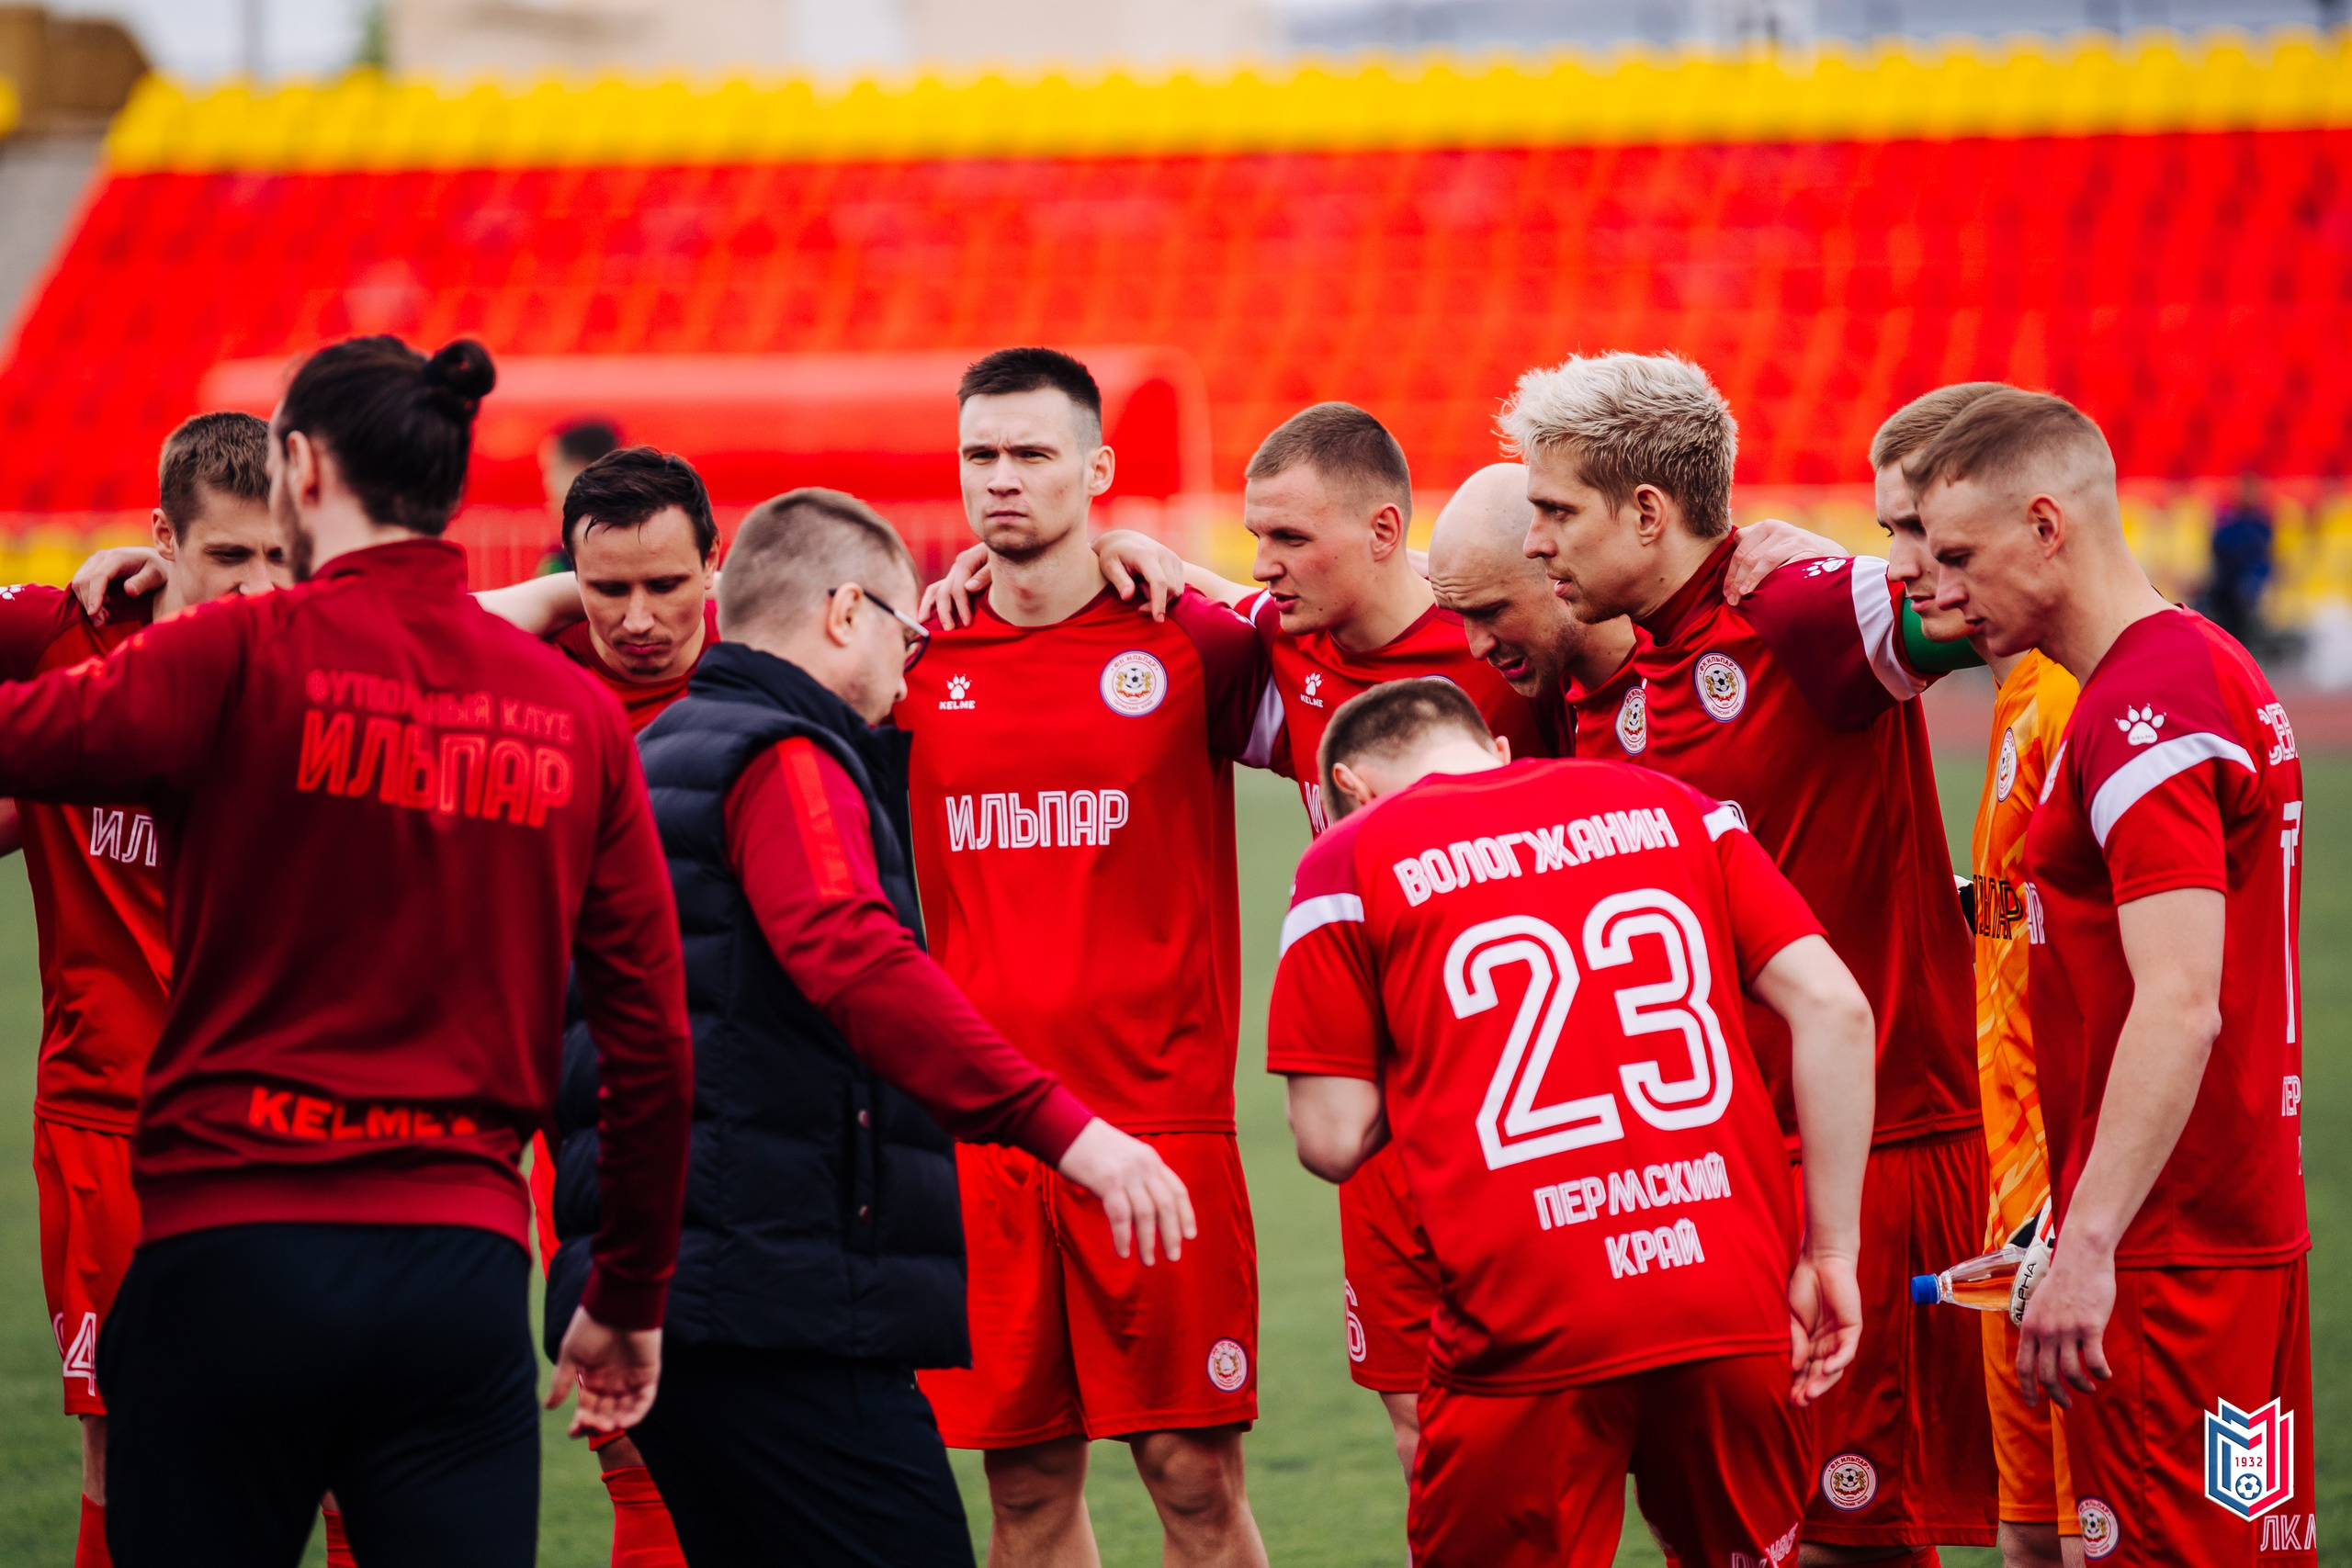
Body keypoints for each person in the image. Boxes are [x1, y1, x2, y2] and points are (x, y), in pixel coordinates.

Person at [0, 334, 695, 1567]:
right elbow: (648, 1040)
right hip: (458, 1262)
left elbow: (25, 731)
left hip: (230, 1244)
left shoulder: (237, 650)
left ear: (303, 468)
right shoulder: (572, 709)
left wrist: (63, 609)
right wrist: (630, 1290)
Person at [540, 484, 1195, 1565]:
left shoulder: (655, 757)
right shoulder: (782, 755)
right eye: (907, 626)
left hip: (676, 1293)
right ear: (846, 613)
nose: (916, 659)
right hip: (775, 1304)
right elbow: (854, 956)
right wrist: (1070, 1130)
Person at [1512, 350, 1996, 1564]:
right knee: (1756, 1525)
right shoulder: (1629, 666)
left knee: (1848, 1538)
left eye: (1556, 510)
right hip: (1726, 1166)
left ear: (1647, 511)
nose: (1536, 543)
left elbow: (2018, 590)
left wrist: (1855, 562)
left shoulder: (1798, 609)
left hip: (1872, 1153)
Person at [1267, 678, 1876, 1567]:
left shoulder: (1350, 856)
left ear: (1351, 787)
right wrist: (1831, 1255)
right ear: (1499, 752)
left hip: (1528, 1312)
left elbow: (1328, 1138)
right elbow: (1834, 1007)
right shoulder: (1673, 806)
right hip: (1722, 1282)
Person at [1912, 391, 2314, 1566]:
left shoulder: (2144, 708)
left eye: (1956, 556)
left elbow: (2181, 1002)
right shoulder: (2196, 666)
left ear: (2047, 526)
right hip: (2225, 1223)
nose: (1936, 592)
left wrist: (2084, 1245)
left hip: (2170, 1245)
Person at [898, 347, 1272, 1568]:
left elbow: (1356, 623)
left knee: (1195, 1482)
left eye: (1033, 453)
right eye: (980, 456)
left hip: (1161, 1121)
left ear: (1098, 468)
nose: (1001, 480)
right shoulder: (912, 660)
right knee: (1023, 1489)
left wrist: (1193, 567)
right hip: (987, 1139)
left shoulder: (1186, 640)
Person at [0, 411, 286, 1568]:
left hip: (288, 1127)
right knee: (126, 1454)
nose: (262, 586)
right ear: (166, 538)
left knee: (329, 1451)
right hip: (109, 1127)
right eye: (230, 557)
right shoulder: (62, 639)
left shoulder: (331, 669)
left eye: (282, 555)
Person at [1871, 383, 2087, 1568]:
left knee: (2095, 1527)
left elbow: (2127, 955)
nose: (1904, 568)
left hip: (2068, 1198)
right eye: (1896, 537)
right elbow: (2041, 915)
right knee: (2026, 1532)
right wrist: (1945, 905)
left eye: (1924, 537)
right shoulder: (2018, 687)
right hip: (2012, 1189)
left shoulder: (2067, 698)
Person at [1425, 460, 1636, 750]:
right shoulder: (1555, 682)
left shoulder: (1693, 659)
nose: (1477, 648)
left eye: (1490, 612)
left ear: (1557, 569)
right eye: (1461, 616)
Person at [2202, 474, 2275, 655]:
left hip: (2247, 593)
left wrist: (2255, 582)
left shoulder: (2262, 525)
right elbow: (2218, 552)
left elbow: (2265, 559)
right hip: (2224, 590)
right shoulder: (2227, 521)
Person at [539, 418, 622, 574]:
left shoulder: (562, 560)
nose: (546, 482)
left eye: (551, 470)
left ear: (578, 470)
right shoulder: (644, 542)